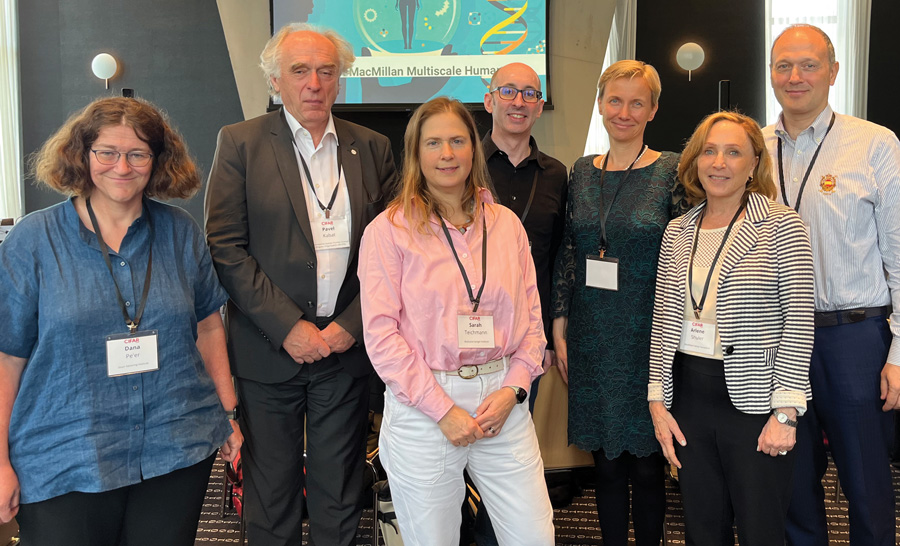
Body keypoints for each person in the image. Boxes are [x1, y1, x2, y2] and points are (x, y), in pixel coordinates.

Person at [0, 96, 242, 546]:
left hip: (174, 444)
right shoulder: (33, 240)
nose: (122, 166)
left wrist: (227, 413)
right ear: (82, 155)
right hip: (65, 453)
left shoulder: (180, 232)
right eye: (106, 152)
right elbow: (7, 358)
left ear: (157, 160)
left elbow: (208, 326)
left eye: (138, 154)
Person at [204, 23, 397, 546]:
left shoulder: (374, 147)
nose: (314, 82)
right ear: (275, 81)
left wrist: (348, 328)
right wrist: (288, 326)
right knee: (272, 493)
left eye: (326, 71)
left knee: (339, 491)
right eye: (300, 70)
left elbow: (392, 253)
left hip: (345, 349)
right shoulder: (240, 143)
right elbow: (224, 245)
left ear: (340, 82)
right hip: (269, 349)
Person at [359, 97, 554, 546]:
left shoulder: (506, 225)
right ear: (416, 153)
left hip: (503, 404)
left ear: (473, 149)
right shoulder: (388, 232)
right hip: (424, 408)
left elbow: (532, 323)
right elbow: (382, 337)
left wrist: (514, 390)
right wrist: (443, 411)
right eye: (434, 143)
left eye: (457, 141)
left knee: (534, 537)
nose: (447, 153)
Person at [649, 111, 815, 545]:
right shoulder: (677, 230)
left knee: (761, 529)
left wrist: (786, 412)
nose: (719, 162)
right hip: (688, 397)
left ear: (753, 163)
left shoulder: (782, 225)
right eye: (709, 150)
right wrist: (657, 401)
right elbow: (664, 319)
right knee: (703, 529)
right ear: (695, 161)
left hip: (756, 400)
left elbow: (798, 322)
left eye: (733, 152)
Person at [763, 24, 900, 546]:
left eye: (809, 65)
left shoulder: (874, 143)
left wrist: (899, 353)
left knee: (865, 482)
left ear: (834, 71)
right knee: (791, 483)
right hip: (777, 339)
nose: (795, 77)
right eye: (783, 66)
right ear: (771, 73)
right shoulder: (753, 148)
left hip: (854, 339)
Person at [551, 60, 684, 546]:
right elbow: (570, 248)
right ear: (601, 104)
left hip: (650, 335)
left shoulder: (673, 171)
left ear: (652, 109)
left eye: (636, 102)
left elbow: (687, 255)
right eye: (614, 100)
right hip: (592, 336)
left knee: (648, 467)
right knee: (604, 465)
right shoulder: (582, 171)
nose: (623, 112)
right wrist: (560, 323)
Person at [483, 61, 567, 407]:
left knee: (510, 447)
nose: (519, 101)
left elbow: (556, 259)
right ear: (490, 101)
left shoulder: (556, 174)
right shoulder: (463, 166)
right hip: (465, 334)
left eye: (530, 94)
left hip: (526, 340)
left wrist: (546, 338)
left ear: (540, 106)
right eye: (508, 91)